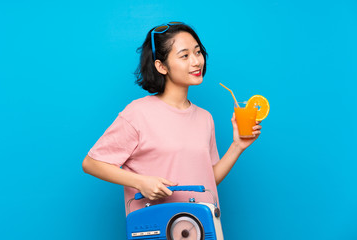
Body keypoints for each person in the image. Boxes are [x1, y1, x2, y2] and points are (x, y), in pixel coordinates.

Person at [82, 22, 262, 215]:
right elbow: (91, 163)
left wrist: (238, 146)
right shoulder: (138, 113)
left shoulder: (205, 117)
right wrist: (141, 182)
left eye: (198, 52)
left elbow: (207, 180)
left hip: (204, 225)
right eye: (184, 55)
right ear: (161, 66)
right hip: (157, 225)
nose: (196, 61)